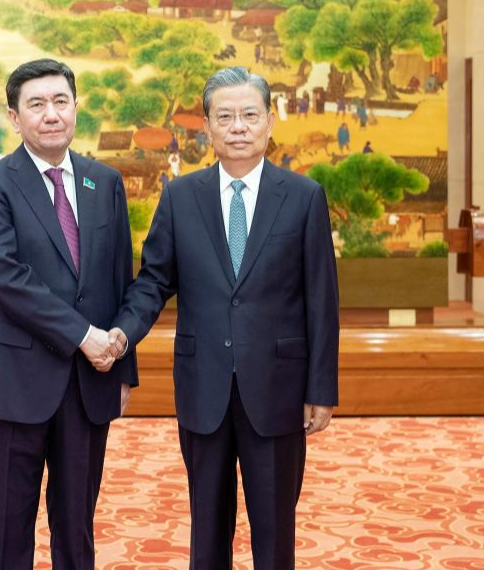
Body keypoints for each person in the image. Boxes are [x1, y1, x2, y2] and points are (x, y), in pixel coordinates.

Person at [109, 66, 339, 570]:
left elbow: (322, 299)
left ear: (270, 122)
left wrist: (321, 388)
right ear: (208, 128)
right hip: (203, 386)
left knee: (275, 530)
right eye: (225, 116)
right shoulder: (179, 197)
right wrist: (122, 333)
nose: (238, 126)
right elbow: (153, 281)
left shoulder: (303, 198)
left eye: (249, 115)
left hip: (278, 387)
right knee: (207, 528)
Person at [0, 59, 136, 570]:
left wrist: (121, 369)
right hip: (14, 382)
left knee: (76, 526)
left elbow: (118, 277)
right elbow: (5, 278)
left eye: (61, 101)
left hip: (90, 384)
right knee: (8, 528)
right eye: (36, 105)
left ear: (76, 108)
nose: (51, 114)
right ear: (15, 118)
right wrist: (83, 335)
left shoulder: (103, 182)